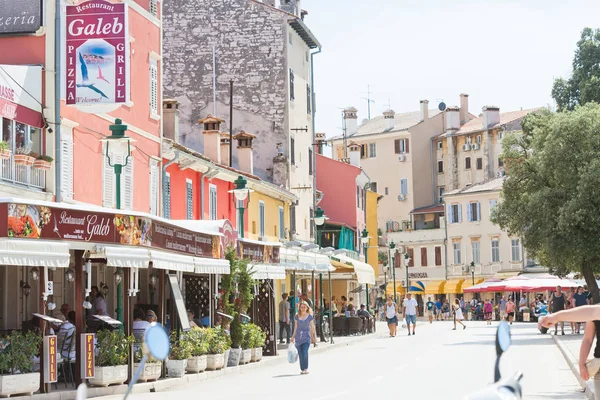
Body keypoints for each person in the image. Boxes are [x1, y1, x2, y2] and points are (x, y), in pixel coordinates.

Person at [290, 301, 316, 375]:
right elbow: (295, 327)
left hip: (306, 337)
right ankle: (302, 369)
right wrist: (292, 337)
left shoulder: (310, 316)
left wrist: (313, 336)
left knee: (305, 352)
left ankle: (306, 368)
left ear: (307, 308)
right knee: (300, 353)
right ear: (299, 308)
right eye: (301, 307)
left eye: (304, 307)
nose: (303, 308)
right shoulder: (297, 316)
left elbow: (312, 327)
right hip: (298, 337)